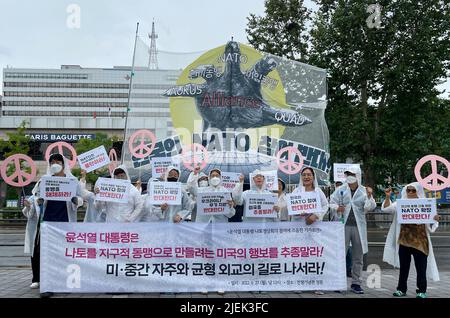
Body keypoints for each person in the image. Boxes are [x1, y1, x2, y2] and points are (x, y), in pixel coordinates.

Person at [22, 153, 83, 293]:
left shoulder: (72, 180)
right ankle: (42, 280)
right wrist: (34, 203)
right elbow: (35, 197)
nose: (55, 164)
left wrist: (76, 201)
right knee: (44, 252)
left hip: (64, 222)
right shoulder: (44, 181)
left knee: (63, 252)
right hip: (46, 222)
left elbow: (80, 198)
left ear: (63, 164)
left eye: (58, 161)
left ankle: (63, 279)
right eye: (52, 162)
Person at [382, 183, 440, 298]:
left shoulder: (426, 203)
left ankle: (421, 291)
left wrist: (435, 218)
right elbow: (386, 209)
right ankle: (401, 289)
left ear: (418, 191)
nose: (410, 193)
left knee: (421, 268)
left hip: (420, 242)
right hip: (404, 241)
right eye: (408, 190)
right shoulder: (400, 203)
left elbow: (432, 222)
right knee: (404, 268)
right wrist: (388, 197)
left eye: (413, 191)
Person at [329, 166, 376, 294]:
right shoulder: (341, 189)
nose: (350, 176)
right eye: (348, 173)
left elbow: (369, 207)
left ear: (358, 175)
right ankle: (338, 282)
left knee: (358, 256)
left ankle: (356, 283)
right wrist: (337, 208)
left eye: (352, 174)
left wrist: (370, 195)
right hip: (342, 226)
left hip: (358, 227)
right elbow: (331, 202)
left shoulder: (364, 191)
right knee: (340, 254)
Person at [291, 167, 329, 295]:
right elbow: (292, 207)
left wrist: (316, 215)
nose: (306, 177)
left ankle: (317, 283)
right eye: (304, 175)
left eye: (309, 175)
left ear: (313, 177)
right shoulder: (296, 191)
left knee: (315, 254)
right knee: (299, 254)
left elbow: (325, 206)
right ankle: (298, 282)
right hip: (299, 227)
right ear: (301, 177)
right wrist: (298, 212)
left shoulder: (318, 191)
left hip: (315, 227)